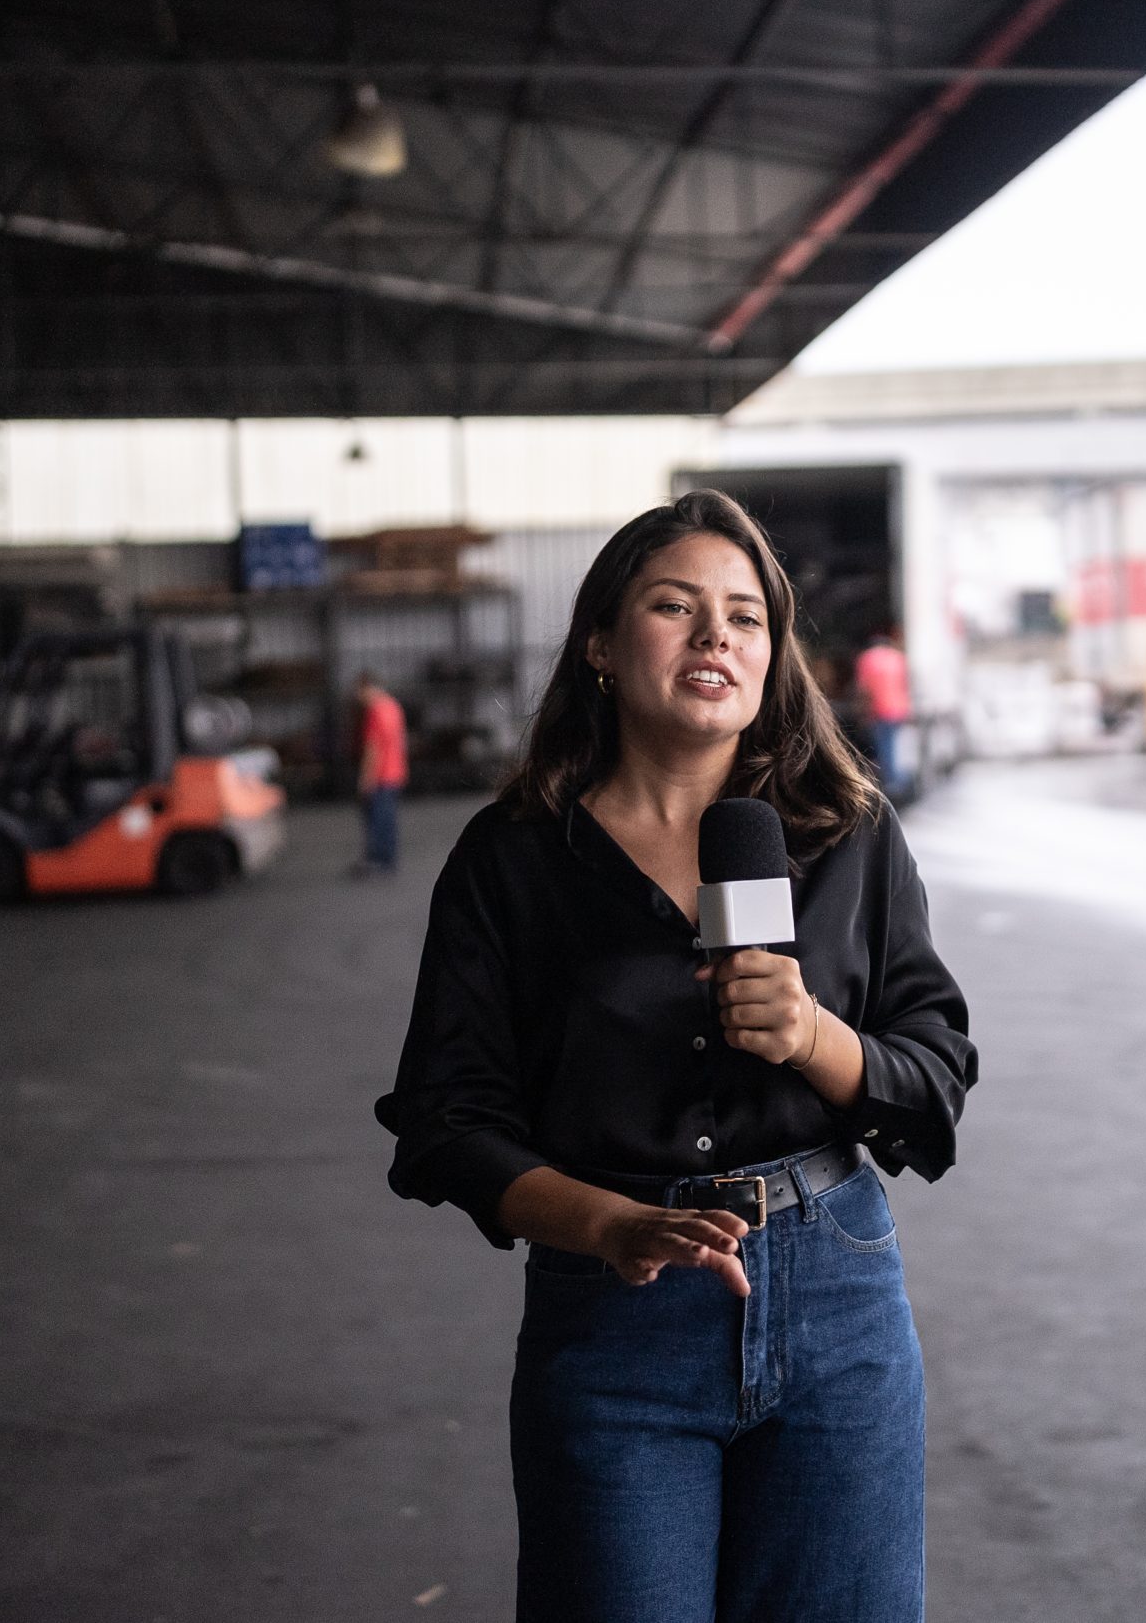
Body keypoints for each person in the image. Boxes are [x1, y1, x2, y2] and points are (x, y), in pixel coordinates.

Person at [379, 489, 977, 1623]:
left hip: (836, 1292)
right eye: (675, 606)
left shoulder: (847, 834)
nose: (717, 636)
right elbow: (445, 1118)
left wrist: (812, 1037)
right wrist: (608, 1225)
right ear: (601, 646)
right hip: (616, 1314)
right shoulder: (512, 858)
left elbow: (934, 1075)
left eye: (746, 617)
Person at [352, 671, 406, 875]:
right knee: (388, 819)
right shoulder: (394, 707)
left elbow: (372, 748)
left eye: (359, 690)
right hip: (395, 771)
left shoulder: (375, 711)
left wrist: (365, 779)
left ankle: (376, 860)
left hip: (380, 775)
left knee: (376, 819)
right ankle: (388, 858)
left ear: (368, 687)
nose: (358, 696)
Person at [853, 627, 915, 797]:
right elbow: (906, 684)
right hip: (900, 709)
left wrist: (862, 712)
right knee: (896, 745)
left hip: (880, 710)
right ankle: (899, 780)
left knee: (884, 746)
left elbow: (863, 689)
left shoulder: (867, 658)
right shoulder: (898, 658)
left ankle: (892, 783)